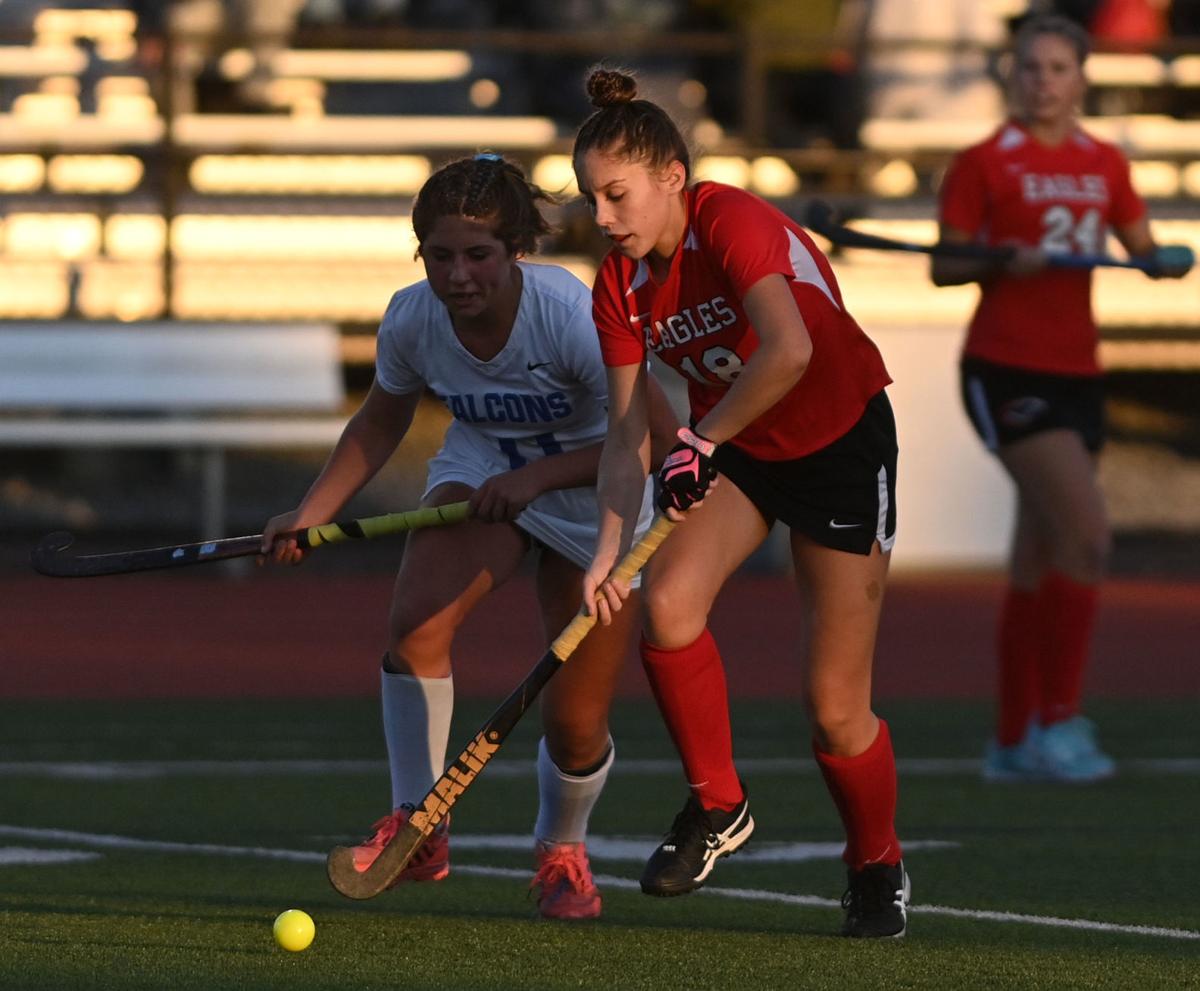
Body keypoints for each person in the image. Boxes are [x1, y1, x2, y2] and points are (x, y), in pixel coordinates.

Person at [262, 153, 676, 920]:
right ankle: (419, 824)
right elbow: (381, 417)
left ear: (516, 250)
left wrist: (541, 478)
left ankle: (563, 850)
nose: (458, 276)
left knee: (576, 721)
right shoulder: (412, 316)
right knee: (414, 626)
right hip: (483, 469)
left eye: (478, 255)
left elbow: (655, 431)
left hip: (600, 499)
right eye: (440, 256)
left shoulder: (569, 314)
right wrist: (313, 509)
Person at [571, 68, 909, 939]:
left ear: (671, 177)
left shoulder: (732, 220)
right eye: (591, 199)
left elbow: (789, 350)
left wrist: (700, 440)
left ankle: (876, 865)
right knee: (667, 603)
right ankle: (718, 805)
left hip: (840, 446)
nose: (604, 218)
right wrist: (609, 546)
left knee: (836, 709)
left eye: (616, 196)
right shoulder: (618, 283)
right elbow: (621, 436)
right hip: (746, 449)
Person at [931, 15, 1190, 783]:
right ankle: (1058, 721)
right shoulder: (982, 162)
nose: (1042, 81)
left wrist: (1163, 259)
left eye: (1056, 68)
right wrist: (999, 262)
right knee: (1088, 533)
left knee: (1037, 556)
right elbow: (945, 266)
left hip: (1079, 371)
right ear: (1012, 76)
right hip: (1005, 370)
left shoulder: (1104, 161)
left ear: (1082, 77)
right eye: (1030, 68)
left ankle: (1012, 739)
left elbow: (1140, 247)